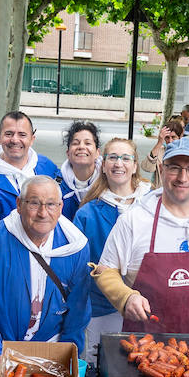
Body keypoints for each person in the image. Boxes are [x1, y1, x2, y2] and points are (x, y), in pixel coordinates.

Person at [92, 137, 189, 339]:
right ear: (161, 169)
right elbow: (105, 271)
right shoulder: (135, 219)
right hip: (143, 348)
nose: (182, 177)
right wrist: (126, 298)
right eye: (174, 168)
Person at [0, 176, 90, 355]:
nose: (43, 213)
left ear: (61, 207)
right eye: (34, 203)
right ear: (19, 204)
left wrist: (67, 354)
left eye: (51, 204)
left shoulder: (75, 247)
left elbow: (78, 310)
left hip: (52, 349)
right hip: (1, 347)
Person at [72, 137, 152, 361]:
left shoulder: (153, 204)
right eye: (113, 158)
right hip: (102, 307)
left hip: (148, 305)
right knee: (104, 366)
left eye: (126, 158)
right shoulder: (87, 213)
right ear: (103, 165)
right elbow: (78, 271)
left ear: (135, 165)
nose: (119, 163)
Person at [0, 110, 59, 251]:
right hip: (7, 265)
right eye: (9, 134)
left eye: (22, 134)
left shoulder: (47, 167)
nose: (15, 140)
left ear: (32, 139)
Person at [57, 120, 101, 220]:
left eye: (88, 143)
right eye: (75, 143)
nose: (81, 147)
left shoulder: (108, 184)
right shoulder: (56, 185)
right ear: (68, 153)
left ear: (97, 152)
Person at [141, 117, 185, 181]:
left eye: (173, 137)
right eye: (167, 137)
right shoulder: (159, 151)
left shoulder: (186, 152)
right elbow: (147, 168)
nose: (170, 141)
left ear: (180, 137)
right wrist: (159, 143)